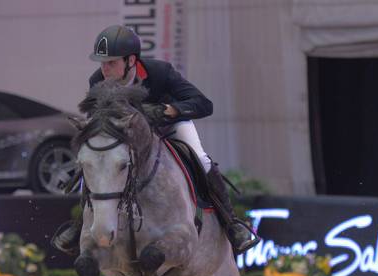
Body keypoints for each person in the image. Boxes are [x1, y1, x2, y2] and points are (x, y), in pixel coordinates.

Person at [53, 24, 259, 256]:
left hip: (170, 127)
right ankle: (81, 223)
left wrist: (169, 110)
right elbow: (101, 120)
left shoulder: (160, 72)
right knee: (97, 164)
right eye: (102, 63)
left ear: (131, 60)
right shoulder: (97, 81)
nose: (105, 69)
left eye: (111, 62)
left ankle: (232, 225)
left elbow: (203, 104)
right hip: (128, 138)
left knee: (201, 159)